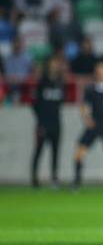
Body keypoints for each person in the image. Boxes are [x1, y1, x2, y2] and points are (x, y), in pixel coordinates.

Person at [31, 56, 65, 188]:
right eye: (52, 64)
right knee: (39, 150)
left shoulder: (59, 83)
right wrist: (40, 121)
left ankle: (54, 178)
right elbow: (35, 104)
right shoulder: (42, 83)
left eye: (56, 64)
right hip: (43, 123)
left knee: (55, 151)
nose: (54, 67)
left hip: (56, 122)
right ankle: (34, 178)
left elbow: (61, 102)